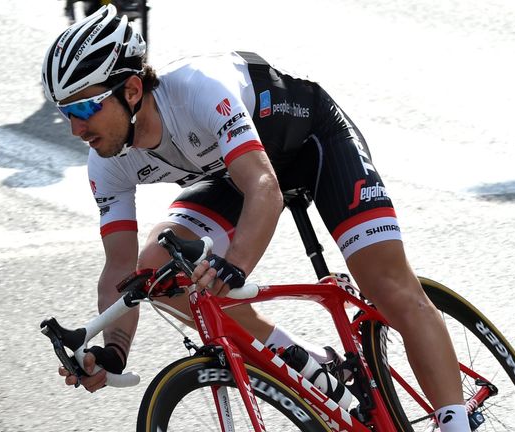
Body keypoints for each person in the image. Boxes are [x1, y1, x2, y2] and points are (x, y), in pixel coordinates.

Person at [42, 5, 471, 431]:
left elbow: (264, 188)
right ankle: (314, 367)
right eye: (65, 113)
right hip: (235, 173)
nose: (75, 129)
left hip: (311, 144)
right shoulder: (107, 162)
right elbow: (120, 268)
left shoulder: (198, 90)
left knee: (387, 285)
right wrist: (114, 350)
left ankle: (456, 422)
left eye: (84, 110)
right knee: (157, 269)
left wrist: (238, 264)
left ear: (132, 90)